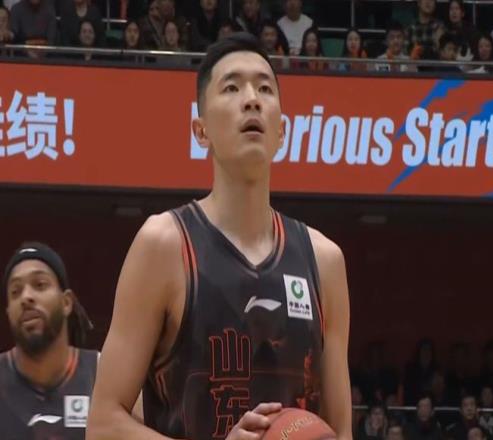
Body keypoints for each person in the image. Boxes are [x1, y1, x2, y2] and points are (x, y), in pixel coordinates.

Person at [87, 32, 352, 440]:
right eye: (232, 88)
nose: (252, 99)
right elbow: (102, 425)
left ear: (282, 131)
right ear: (201, 130)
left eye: (265, 88)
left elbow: (341, 430)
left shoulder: (325, 261)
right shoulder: (163, 245)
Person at [0, 242, 97, 439]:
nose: (26, 297)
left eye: (40, 285)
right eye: (15, 291)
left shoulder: (104, 374)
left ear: (66, 303)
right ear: (8, 313)